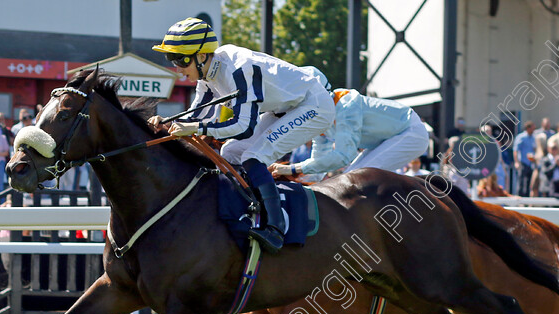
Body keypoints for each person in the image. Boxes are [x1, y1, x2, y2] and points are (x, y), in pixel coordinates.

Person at [148, 17, 335, 253]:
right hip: (284, 109)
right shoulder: (206, 74)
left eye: (181, 59)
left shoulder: (240, 69)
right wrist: (166, 123)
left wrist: (196, 129)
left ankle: (275, 229)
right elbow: (198, 114)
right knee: (231, 152)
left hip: (313, 106)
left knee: (254, 156)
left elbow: (243, 126)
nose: (177, 68)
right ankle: (247, 207)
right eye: (172, 59)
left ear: (202, 55)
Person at [271, 88, 429, 177]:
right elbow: (318, 165)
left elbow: (342, 156)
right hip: (389, 137)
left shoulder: (346, 105)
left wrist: (294, 169)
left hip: (410, 132)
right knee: (347, 176)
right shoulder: (319, 119)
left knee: (357, 177)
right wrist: (294, 175)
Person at [513, 120, 537, 196]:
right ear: (528, 128)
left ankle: (527, 199)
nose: (534, 130)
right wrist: (516, 162)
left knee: (529, 183)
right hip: (523, 162)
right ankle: (519, 198)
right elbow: (516, 150)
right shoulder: (521, 137)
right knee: (521, 182)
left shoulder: (534, 138)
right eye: (532, 128)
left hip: (531, 163)